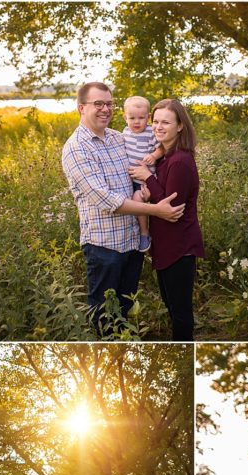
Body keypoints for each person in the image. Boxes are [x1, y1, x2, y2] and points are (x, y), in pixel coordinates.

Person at [61, 81, 186, 335]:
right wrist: (156, 211)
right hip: (104, 246)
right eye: (98, 104)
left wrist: (149, 188)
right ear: (81, 108)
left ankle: (121, 354)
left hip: (132, 242)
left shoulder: (120, 138)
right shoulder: (76, 149)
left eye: (109, 103)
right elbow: (105, 199)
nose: (105, 109)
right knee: (103, 313)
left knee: (125, 307)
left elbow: (147, 164)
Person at [129, 98, 204, 341]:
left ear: (180, 126)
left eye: (166, 122)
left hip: (179, 247)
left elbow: (172, 208)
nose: (159, 127)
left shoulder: (180, 161)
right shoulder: (164, 157)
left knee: (181, 314)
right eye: (156, 121)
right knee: (172, 308)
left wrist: (146, 178)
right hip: (166, 245)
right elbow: (159, 196)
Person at [121, 95, 166, 252]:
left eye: (141, 118)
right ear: (125, 117)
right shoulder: (125, 132)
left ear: (148, 117)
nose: (136, 122)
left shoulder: (150, 133)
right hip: (130, 179)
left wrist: (154, 156)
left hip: (146, 180)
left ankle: (144, 233)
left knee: (137, 199)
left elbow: (162, 148)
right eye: (132, 118)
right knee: (125, 203)